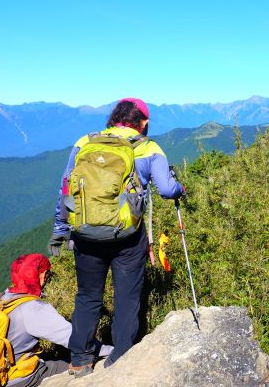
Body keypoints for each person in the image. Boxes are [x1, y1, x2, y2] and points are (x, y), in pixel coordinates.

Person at [47, 98, 184, 376]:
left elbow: (65, 187)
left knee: (87, 296)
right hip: (128, 239)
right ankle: (120, 357)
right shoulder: (148, 147)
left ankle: (81, 358)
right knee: (127, 297)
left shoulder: (84, 142)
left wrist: (61, 229)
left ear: (113, 118)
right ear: (143, 122)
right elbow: (167, 190)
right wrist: (178, 185)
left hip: (86, 235)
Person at [0, 253, 113, 386]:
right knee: (69, 363)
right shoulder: (32, 308)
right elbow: (75, 339)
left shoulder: (1, 299)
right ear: (41, 275)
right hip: (15, 378)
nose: (47, 279)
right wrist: (111, 350)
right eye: (47, 274)